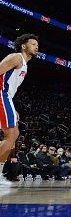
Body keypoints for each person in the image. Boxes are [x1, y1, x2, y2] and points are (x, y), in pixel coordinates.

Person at [0, 33, 38, 185]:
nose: (36, 46)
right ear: (24, 46)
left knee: (13, 134)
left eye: (37, 45)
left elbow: (10, 86)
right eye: (33, 44)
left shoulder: (25, 64)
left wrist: (12, 107)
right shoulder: (16, 57)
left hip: (6, 97)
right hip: (1, 94)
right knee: (12, 133)